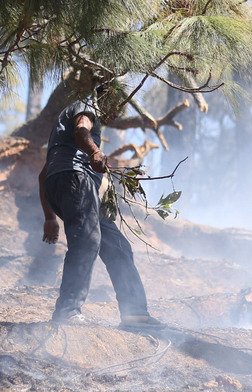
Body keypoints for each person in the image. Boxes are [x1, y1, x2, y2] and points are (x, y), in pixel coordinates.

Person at [38, 85, 161, 327]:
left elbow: (43, 176)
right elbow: (82, 129)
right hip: (75, 180)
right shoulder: (87, 105)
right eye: (116, 106)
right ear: (107, 99)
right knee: (87, 241)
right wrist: (95, 151)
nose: (116, 112)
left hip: (63, 185)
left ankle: (135, 313)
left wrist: (50, 218)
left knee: (116, 245)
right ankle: (68, 311)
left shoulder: (59, 139)